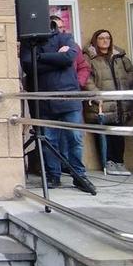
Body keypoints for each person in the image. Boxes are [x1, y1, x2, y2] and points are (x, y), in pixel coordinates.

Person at [20, 19, 97, 194]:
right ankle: (53, 175)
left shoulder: (66, 38)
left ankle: (79, 175)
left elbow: (69, 58)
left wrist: (41, 57)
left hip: (68, 96)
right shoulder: (29, 42)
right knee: (49, 140)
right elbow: (29, 66)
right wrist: (56, 58)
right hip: (44, 99)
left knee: (75, 138)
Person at [84, 29, 133, 177]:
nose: (105, 40)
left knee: (119, 133)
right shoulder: (90, 57)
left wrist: (124, 84)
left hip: (119, 102)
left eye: (107, 38)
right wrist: (96, 94)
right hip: (101, 102)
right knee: (104, 134)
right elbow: (86, 78)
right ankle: (108, 161)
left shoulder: (119, 56)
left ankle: (119, 161)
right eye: (101, 38)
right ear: (95, 40)